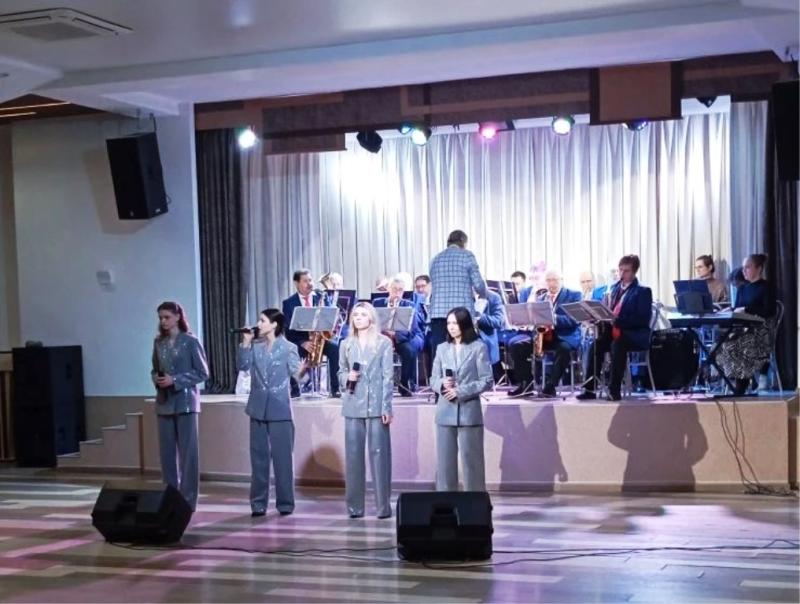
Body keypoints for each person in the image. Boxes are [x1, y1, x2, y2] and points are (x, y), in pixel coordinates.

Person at [238, 309, 307, 517]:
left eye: (262, 320)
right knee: (258, 459)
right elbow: (243, 366)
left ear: (274, 324)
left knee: (283, 459)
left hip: (280, 407)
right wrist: (245, 343)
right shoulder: (256, 346)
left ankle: (285, 504)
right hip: (257, 407)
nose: (258, 324)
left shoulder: (288, 348)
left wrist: (303, 370)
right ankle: (258, 504)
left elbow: (298, 376)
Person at [151, 301, 209, 512]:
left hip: (186, 403)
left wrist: (175, 380)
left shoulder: (191, 341)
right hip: (164, 402)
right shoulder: (159, 343)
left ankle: (187, 501)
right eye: (160, 318)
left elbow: (203, 373)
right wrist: (157, 379)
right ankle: (170, 497)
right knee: (167, 455)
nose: (163, 321)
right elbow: (154, 369)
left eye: (167, 317)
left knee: (188, 455)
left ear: (177, 317)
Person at [337, 302, 394, 519]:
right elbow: (340, 372)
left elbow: (388, 377)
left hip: (376, 405)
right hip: (353, 404)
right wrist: (347, 377)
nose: (358, 318)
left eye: (362, 314)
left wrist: (386, 406)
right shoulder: (346, 344)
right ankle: (355, 508)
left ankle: (383, 507)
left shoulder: (383, 343)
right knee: (353, 457)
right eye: (355, 315)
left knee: (380, 457)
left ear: (371, 318)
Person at [431, 307, 493, 491]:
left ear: (464, 325)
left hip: (469, 413)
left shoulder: (478, 347)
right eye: (449, 323)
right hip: (445, 413)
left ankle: (475, 504)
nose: (451, 327)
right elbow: (433, 379)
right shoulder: (442, 348)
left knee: (472, 464)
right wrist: (442, 384)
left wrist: (461, 391)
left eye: (455, 323)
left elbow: (486, 380)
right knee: (445, 466)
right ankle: (445, 503)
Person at [577, 255, 652, 401]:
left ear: (635, 271)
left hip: (634, 334)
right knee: (596, 345)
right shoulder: (615, 289)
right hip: (615, 332)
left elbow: (642, 319)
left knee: (617, 345)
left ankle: (614, 390)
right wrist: (598, 316)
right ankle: (590, 389)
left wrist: (618, 321)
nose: (622, 274)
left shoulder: (643, 291)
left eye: (626, 271)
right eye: (620, 270)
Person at [717, 254, 777, 396]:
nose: (744, 271)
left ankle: (740, 387)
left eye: (748, 267)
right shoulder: (742, 289)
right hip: (743, 330)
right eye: (743, 268)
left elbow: (769, 311)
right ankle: (737, 383)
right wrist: (730, 310)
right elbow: (738, 309)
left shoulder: (766, 287)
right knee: (720, 345)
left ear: (759, 268)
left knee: (740, 345)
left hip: (761, 332)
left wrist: (747, 309)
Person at [282, 268, 341, 397]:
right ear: (296, 283)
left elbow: (330, 318)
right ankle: (295, 388)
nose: (309, 284)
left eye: (310, 280)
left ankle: (335, 388)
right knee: (291, 351)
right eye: (305, 281)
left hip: (319, 340)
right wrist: (303, 343)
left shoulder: (321, 297)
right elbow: (288, 330)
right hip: (300, 342)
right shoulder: (288, 303)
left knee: (335, 349)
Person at [428, 230, 487, 353]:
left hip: (438, 314)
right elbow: (478, 284)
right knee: (465, 353)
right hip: (461, 314)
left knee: (441, 354)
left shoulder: (435, 259)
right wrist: (483, 295)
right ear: (463, 242)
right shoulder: (467, 256)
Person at [373, 275, 424, 396]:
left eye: (400, 290)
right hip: (381, 338)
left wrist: (396, 335)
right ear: (388, 289)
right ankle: (376, 385)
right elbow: (372, 323)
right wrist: (383, 333)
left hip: (400, 339)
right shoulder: (377, 303)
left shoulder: (409, 305)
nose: (397, 292)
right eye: (394, 289)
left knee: (409, 351)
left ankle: (404, 384)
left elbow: (412, 330)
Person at [475, 289, 507, 382]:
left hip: (484, 339)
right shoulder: (460, 296)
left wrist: (479, 316)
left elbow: (498, 321)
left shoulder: (493, 297)